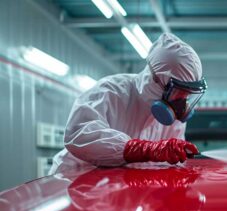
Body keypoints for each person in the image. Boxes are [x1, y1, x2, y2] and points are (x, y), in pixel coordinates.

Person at [49, 33, 207, 174]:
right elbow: (78, 134)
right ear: (155, 81)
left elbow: (169, 165)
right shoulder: (111, 91)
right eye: (179, 91)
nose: (183, 102)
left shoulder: (174, 119)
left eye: (188, 94)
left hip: (117, 190)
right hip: (73, 180)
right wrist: (140, 149)